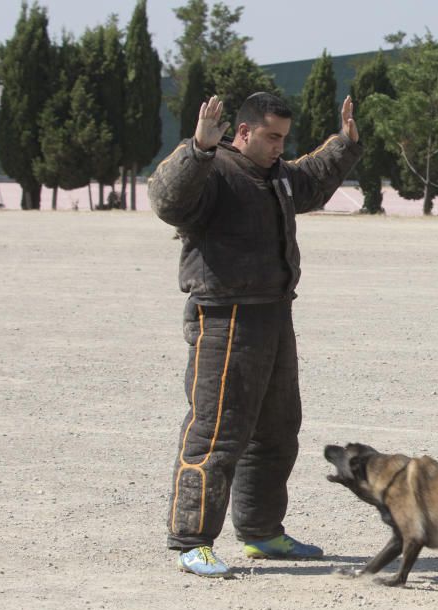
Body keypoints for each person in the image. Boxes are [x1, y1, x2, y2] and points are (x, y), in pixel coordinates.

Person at [149, 91, 361, 577]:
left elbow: (311, 179)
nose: (279, 147)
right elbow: (168, 200)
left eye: (283, 138)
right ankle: (192, 540)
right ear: (241, 133)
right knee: (216, 433)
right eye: (271, 137)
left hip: (274, 314)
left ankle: (262, 533)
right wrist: (198, 148)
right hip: (224, 318)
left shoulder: (278, 176)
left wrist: (346, 143)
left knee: (277, 433)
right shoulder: (214, 171)